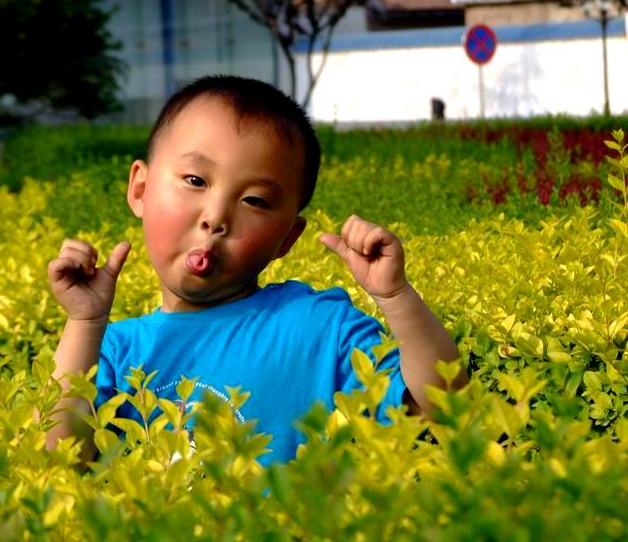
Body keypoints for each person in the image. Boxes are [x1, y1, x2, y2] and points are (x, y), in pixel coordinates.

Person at [44, 75, 468, 467]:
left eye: (255, 201)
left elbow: (448, 411)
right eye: (195, 180)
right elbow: (57, 461)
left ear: (287, 237)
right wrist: (84, 322)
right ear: (140, 189)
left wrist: (396, 298)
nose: (215, 216)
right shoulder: (115, 350)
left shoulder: (321, 328)